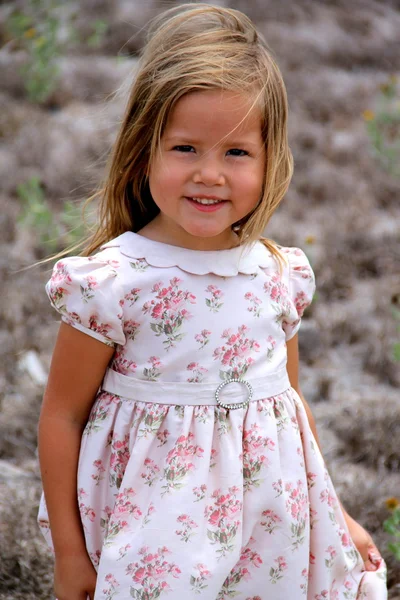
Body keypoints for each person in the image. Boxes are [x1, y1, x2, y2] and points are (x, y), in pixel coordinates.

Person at [37, 4, 388, 599]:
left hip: (268, 525)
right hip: (157, 525)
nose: (210, 174)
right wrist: (70, 556)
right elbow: (61, 417)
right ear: (145, 149)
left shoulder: (278, 275)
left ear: (270, 157)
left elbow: (292, 410)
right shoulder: (114, 282)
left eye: (235, 153)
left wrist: (336, 515)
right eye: (185, 149)